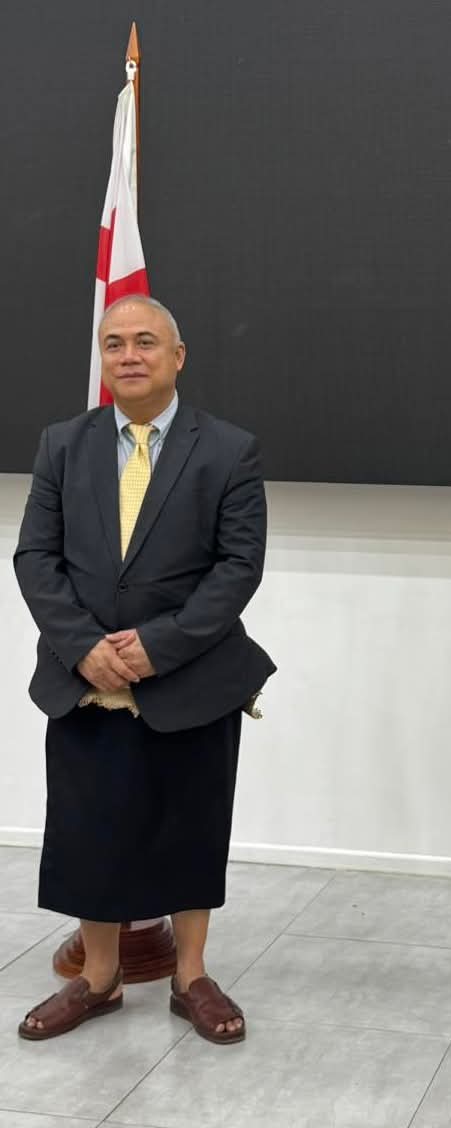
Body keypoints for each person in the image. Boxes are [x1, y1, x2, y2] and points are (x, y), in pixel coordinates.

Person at [14, 294, 275, 1045]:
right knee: (89, 830)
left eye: (145, 342)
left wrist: (158, 647)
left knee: (191, 826)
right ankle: (98, 979)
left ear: (177, 356)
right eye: (114, 343)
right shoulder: (63, 444)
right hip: (85, 677)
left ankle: (191, 977)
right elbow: (35, 557)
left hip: (190, 678)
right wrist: (82, 646)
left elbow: (238, 567)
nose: (129, 356)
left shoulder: (228, 449)